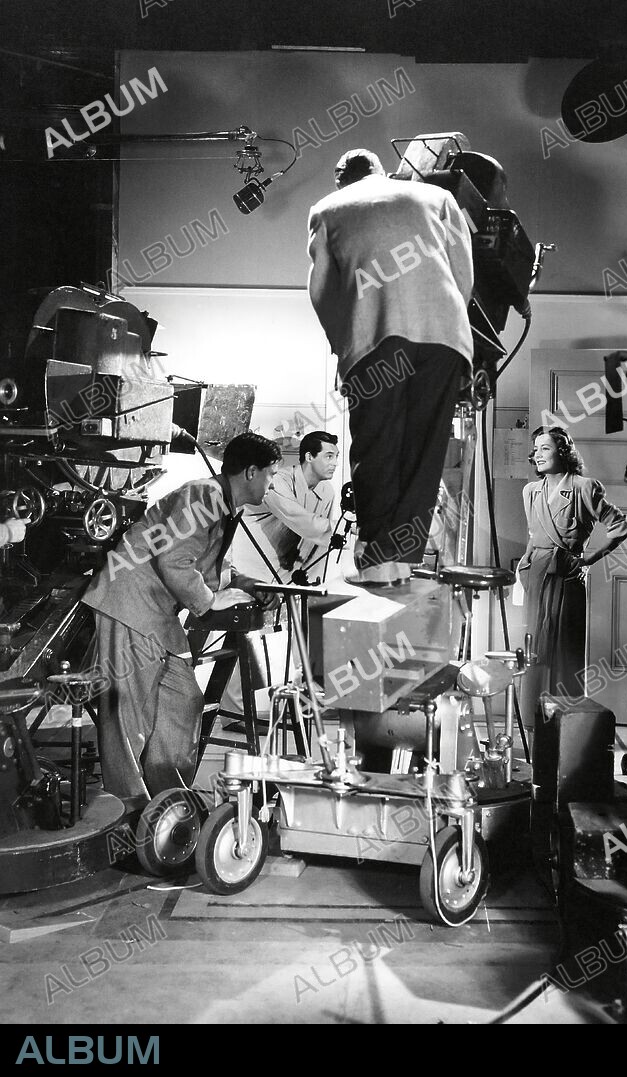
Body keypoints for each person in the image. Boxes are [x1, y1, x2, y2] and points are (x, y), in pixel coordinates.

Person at [82, 432, 282, 800]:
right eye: (271, 473)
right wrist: (210, 601)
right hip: (131, 602)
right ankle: (129, 811)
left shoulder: (222, 508)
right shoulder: (203, 495)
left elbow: (210, 569)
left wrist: (254, 587)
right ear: (251, 472)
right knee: (130, 712)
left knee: (183, 699)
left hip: (157, 613)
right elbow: (174, 559)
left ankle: (169, 799)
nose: (273, 483)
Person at [307, 147, 474, 585]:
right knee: (425, 449)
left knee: (377, 444)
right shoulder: (436, 197)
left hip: (376, 336)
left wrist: (345, 351)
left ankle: (379, 564)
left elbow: (323, 294)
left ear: (341, 178)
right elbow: (464, 274)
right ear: (383, 172)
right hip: (443, 336)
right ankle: (402, 558)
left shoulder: (327, 209)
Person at [518, 426, 627, 720]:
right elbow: (535, 532)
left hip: (567, 579)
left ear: (563, 451)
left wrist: (589, 559)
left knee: (565, 651)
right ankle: (531, 723)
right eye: (536, 449)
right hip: (536, 576)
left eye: (545, 448)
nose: (538, 455)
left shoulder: (584, 487)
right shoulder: (531, 491)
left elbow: (621, 527)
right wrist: (525, 563)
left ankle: (566, 724)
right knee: (534, 648)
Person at [260, 430, 338, 581]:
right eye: (329, 456)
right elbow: (301, 521)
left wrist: (312, 589)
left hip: (292, 579)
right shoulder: (278, 481)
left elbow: (319, 547)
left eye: (336, 457)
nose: (335, 463)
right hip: (259, 573)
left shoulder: (327, 491)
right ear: (309, 457)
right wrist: (347, 527)